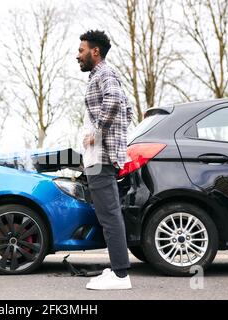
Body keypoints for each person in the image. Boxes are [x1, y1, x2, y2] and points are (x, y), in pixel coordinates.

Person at [76, 30, 133, 290]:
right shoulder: (100, 76)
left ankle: (121, 275)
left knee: (109, 215)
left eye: (81, 50)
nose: (78, 55)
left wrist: (97, 133)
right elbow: (128, 108)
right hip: (100, 155)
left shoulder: (105, 74)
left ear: (94, 51)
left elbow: (114, 102)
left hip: (101, 156)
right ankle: (117, 270)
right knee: (107, 214)